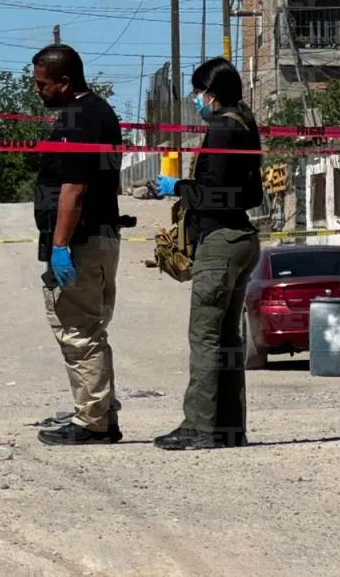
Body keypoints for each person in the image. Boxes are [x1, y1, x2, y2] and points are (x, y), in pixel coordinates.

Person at [153, 58, 263, 451]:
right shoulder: (246, 125)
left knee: (205, 337)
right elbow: (252, 195)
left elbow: (214, 191)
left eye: (199, 91)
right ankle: (230, 428)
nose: (196, 99)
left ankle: (198, 426)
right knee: (229, 339)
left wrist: (177, 187)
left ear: (211, 94)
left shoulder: (220, 128)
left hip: (220, 240)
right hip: (243, 238)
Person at [31, 44, 126, 446]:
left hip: (81, 240)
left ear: (64, 81)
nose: (38, 91)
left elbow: (74, 187)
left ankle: (92, 423)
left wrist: (60, 244)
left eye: (43, 84)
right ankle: (101, 414)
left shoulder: (76, 119)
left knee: (77, 331)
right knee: (91, 330)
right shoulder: (100, 113)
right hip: (101, 236)